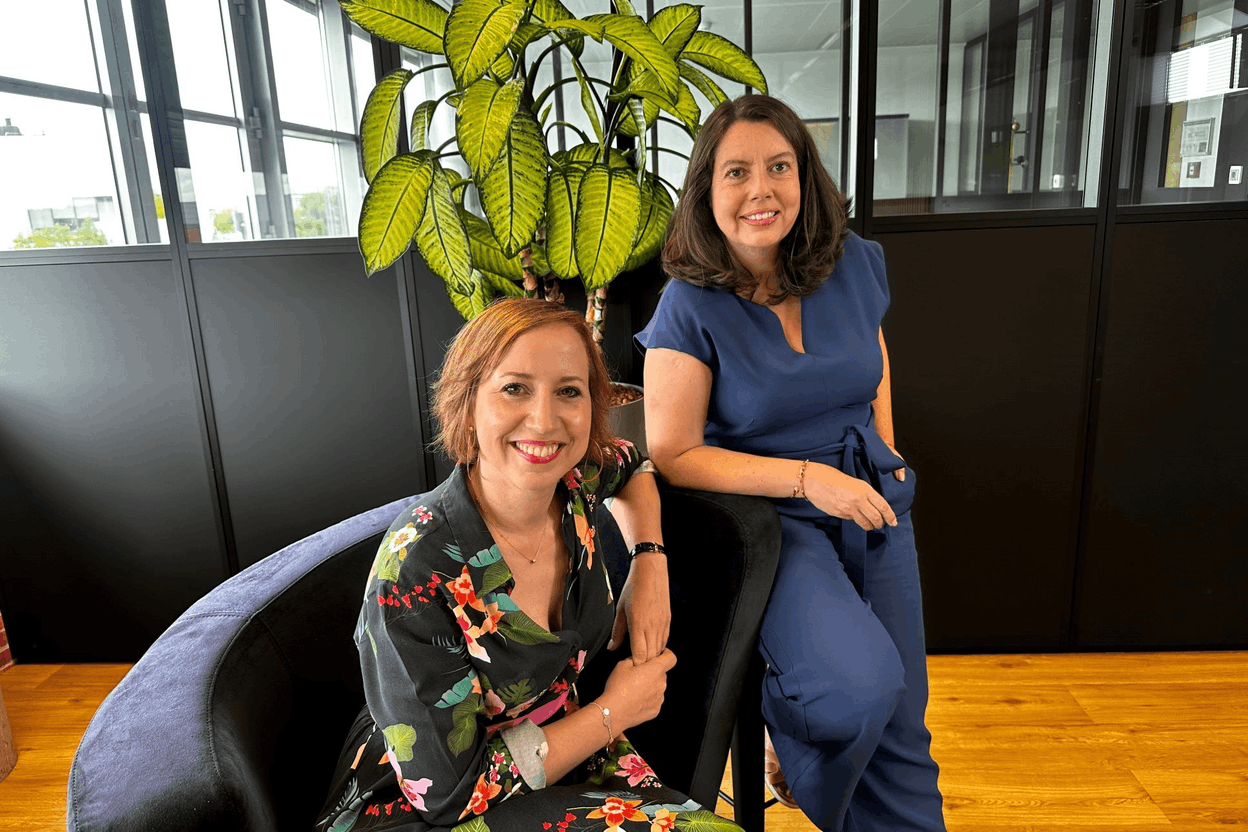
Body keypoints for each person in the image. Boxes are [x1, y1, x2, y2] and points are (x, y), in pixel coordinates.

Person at [636, 95, 946, 832]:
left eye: (780, 167)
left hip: (869, 500)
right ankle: (794, 741)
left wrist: (887, 456)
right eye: (737, 172)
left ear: (805, 178)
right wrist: (811, 481)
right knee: (854, 693)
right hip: (768, 516)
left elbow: (873, 368)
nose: (761, 190)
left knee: (904, 729)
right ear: (708, 192)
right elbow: (672, 454)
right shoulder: (689, 306)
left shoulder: (855, 263)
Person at [315, 298, 742, 832]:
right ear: (468, 403)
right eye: (514, 388)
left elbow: (635, 463)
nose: (544, 420)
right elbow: (449, 794)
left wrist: (647, 560)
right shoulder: (414, 571)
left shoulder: (575, 482)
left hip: (560, 759)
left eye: (569, 391)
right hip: (433, 810)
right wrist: (614, 712)